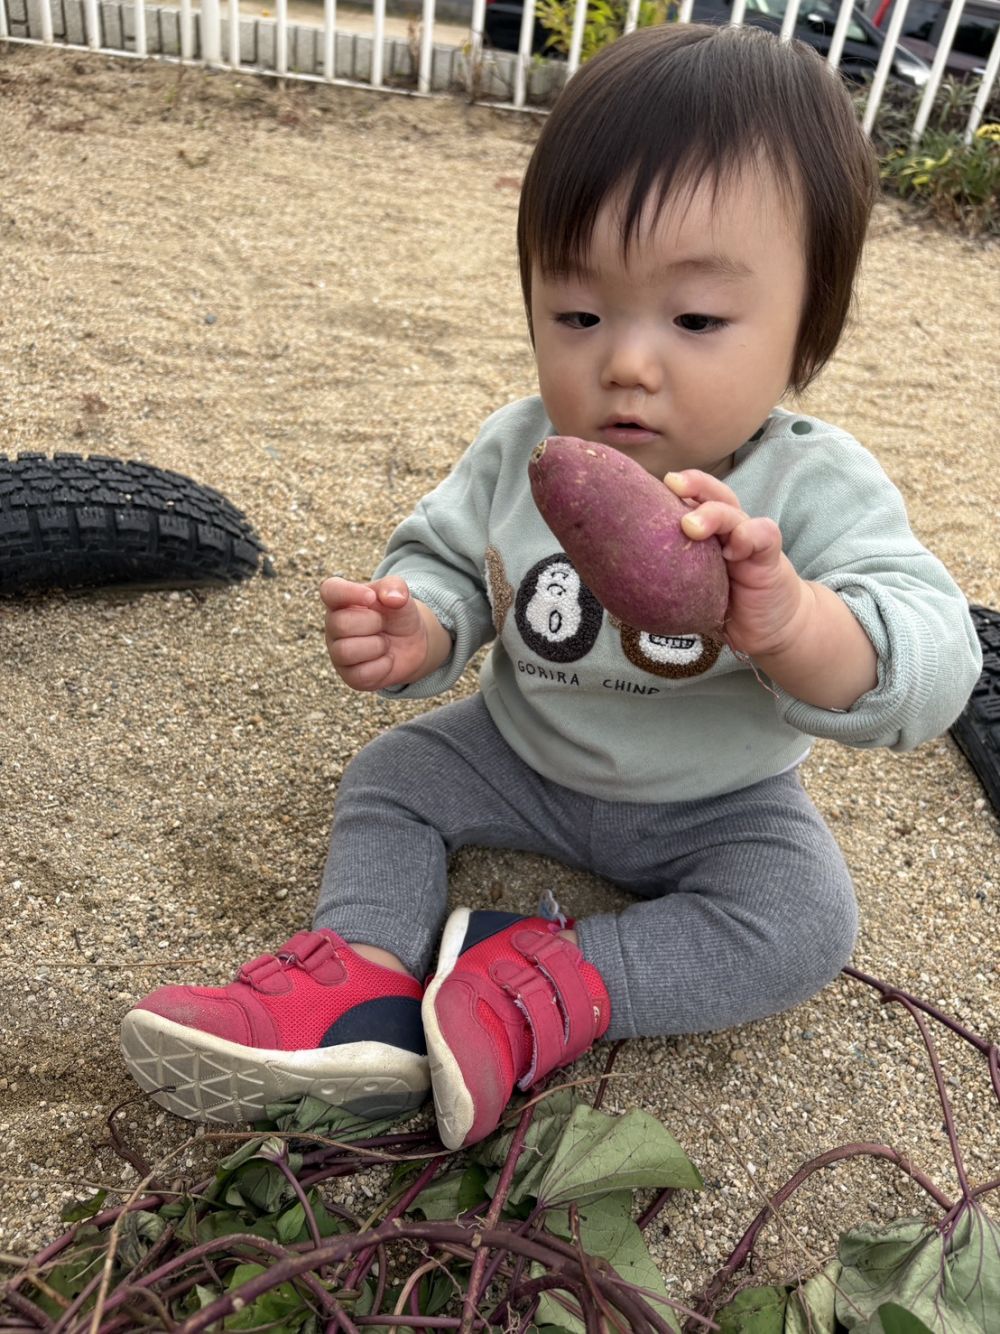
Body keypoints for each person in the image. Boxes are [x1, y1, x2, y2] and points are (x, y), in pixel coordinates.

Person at [120, 22, 982, 1151]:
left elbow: (935, 655)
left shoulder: (812, 484)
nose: (624, 360)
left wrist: (795, 619)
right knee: (392, 774)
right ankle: (367, 978)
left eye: (695, 320)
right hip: (520, 750)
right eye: (578, 314)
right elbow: (447, 551)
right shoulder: (519, 446)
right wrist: (419, 625)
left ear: (803, 335)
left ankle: (541, 977)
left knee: (804, 924)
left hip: (718, 798)